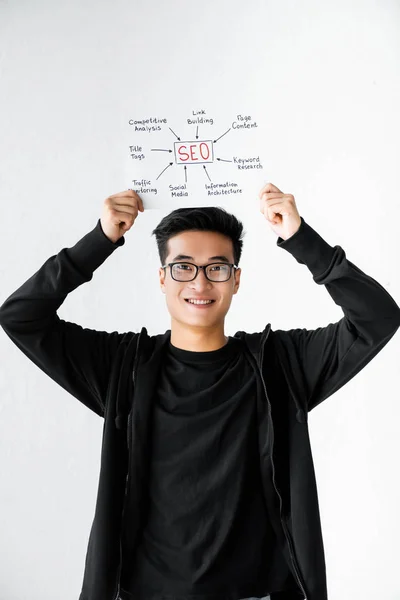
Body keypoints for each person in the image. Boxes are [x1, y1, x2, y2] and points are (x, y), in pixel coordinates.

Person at [0, 183, 399, 600]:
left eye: (217, 267)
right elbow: (21, 317)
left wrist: (301, 239)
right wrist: (100, 241)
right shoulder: (122, 367)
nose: (201, 282)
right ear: (162, 277)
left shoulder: (282, 365)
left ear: (236, 279)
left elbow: (377, 319)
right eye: (184, 266)